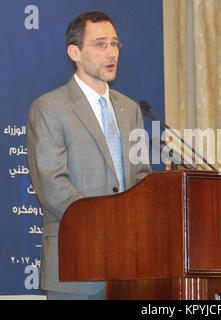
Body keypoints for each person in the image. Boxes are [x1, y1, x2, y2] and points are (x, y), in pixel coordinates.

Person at [26, 11, 151, 300]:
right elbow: (52, 184)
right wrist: (108, 224)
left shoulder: (130, 109)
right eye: (100, 44)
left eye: (115, 44)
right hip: (76, 263)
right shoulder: (49, 107)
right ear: (75, 52)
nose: (112, 52)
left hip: (128, 267)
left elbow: (141, 175)